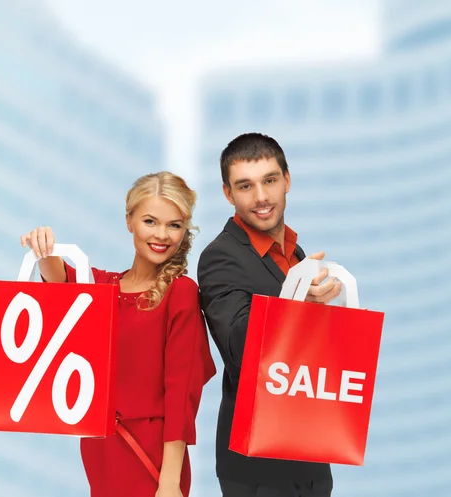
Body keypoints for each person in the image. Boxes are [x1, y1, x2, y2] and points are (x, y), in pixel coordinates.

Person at [21, 171, 216, 497]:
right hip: (101, 449)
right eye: (150, 221)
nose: (162, 235)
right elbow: (61, 283)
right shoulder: (103, 286)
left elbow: (181, 396)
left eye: (174, 225)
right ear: (129, 221)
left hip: (152, 456)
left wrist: (169, 482)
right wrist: (45, 249)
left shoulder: (180, 292)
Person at [197, 133, 343, 497]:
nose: (261, 197)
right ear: (228, 194)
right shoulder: (220, 257)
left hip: (309, 453)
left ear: (287, 181)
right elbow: (237, 346)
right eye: (246, 186)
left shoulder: (295, 253)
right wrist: (294, 303)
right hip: (258, 465)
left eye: (270, 180)